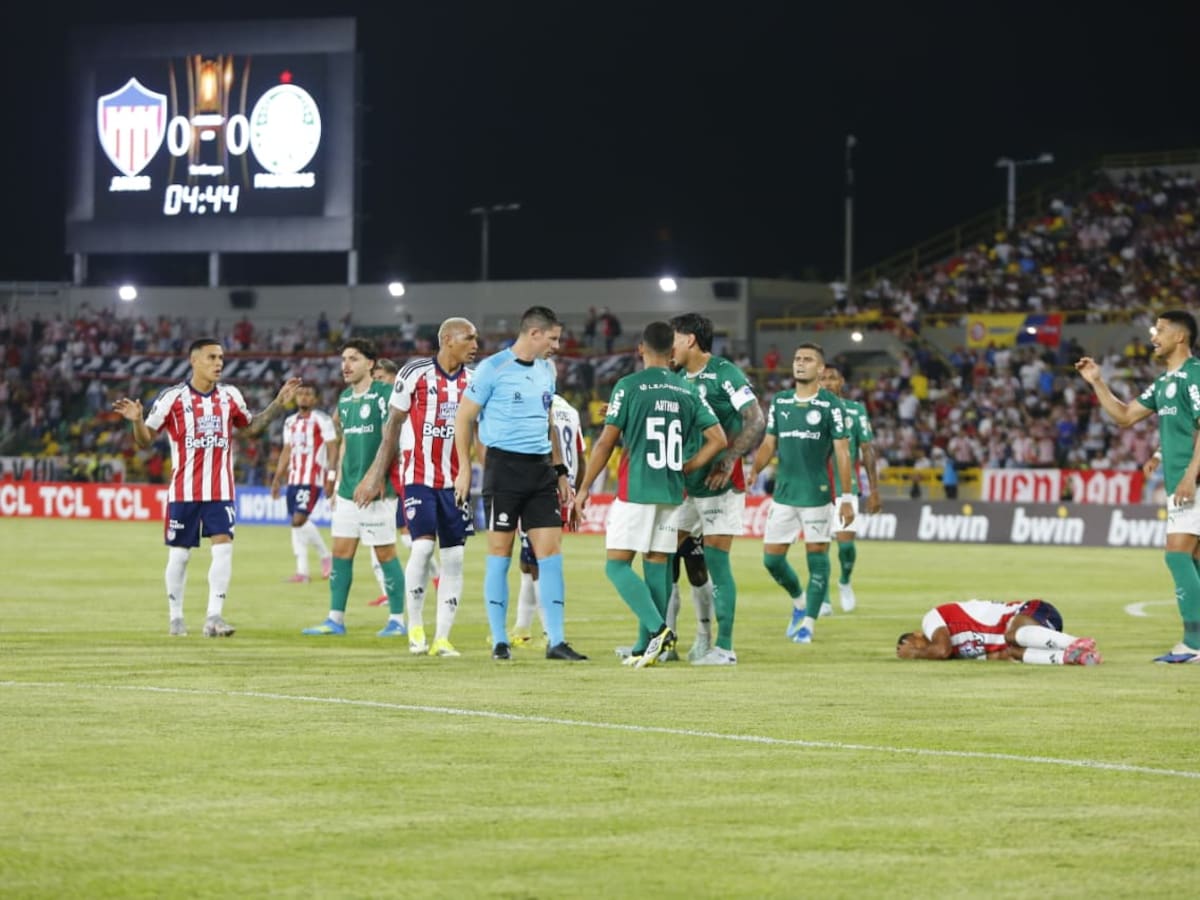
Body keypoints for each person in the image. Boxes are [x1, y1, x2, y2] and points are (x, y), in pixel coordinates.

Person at [113, 337, 300, 637]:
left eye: (221, 358)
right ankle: (176, 618)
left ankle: (214, 617)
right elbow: (145, 439)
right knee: (180, 555)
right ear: (194, 361)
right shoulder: (172, 398)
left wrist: (278, 404)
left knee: (224, 549)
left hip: (221, 490)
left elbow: (250, 429)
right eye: (212, 357)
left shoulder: (230, 396)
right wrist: (136, 421)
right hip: (184, 491)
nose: (218, 363)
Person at [576, 321, 726, 667]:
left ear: (640, 349)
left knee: (616, 565)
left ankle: (659, 630)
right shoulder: (687, 390)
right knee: (656, 563)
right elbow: (718, 439)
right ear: (673, 352)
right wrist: (690, 466)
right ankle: (646, 646)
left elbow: (605, 442)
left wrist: (584, 488)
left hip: (638, 488)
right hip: (673, 490)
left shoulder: (628, 386)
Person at [453, 305, 586, 661]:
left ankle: (556, 640)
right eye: (553, 338)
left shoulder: (546, 369)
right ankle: (500, 640)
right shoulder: (492, 368)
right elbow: (464, 419)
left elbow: (547, 422)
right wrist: (466, 469)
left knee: (550, 555)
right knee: (500, 553)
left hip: (541, 470)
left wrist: (559, 470)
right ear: (534, 334)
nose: (557, 345)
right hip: (503, 469)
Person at [1077, 310, 1200, 663]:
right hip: (1181, 478)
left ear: (1181, 337)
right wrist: (1097, 381)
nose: (1153, 335)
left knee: (1176, 555)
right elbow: (1125, 416)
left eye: (1160, 329)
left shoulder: (1195, 375)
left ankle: (1193, 645)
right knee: (1193, 558)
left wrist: (1192, 475)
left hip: (1191, 481)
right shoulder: (1164, 384)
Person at [354, 318, 479, 657]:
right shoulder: (415, 373)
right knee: (422, 550)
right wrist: (377, 474)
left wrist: (478, 472)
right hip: (419, 476)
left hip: (456, 482)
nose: (475, 344)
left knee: (454, 557)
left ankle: (442, 637)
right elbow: (392, 427)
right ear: (448, 340)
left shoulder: (474, 380)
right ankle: (416, 627)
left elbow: (479, 430)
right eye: (469, 338)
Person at [669, 313, 766, 665]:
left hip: (719, 486)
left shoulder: (725, 374)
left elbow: (756, 419)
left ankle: (723, 648)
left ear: (691, 340)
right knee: (663, 556)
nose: (671, 347)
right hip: (683, 485)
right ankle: (672, 640)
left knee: (716, 562)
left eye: (675, 339)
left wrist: (729, 460)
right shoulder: (675, 377)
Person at [751, 343, 854, 646]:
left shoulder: (832, 406)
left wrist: (846, 499)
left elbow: (843, 454)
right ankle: (799, 602)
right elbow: (769, 443)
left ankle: (809, 623)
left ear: (820, 370)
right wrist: (754, 470)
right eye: (797, 358)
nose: (800, 363)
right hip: (783, 494)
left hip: (817, 495)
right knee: (771, 561)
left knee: (817, 558)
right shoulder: (781, 402)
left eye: (808, 360)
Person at [302, 339, 407, 637]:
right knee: (341, 553)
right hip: (348, 490)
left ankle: (398, 620)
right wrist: (336, 485)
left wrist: (376, 478)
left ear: (371, 364)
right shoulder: (345, 399)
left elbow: (394, 441)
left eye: (354, 359)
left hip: (378, 490)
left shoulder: (387, 395)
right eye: (344, 359)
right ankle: (335, 619)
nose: (346, 365)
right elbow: (346, 443)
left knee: (385, 553)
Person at [512, 393, 587, 647]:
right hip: (568, 486)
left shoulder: (534, 404)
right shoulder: (571, 410)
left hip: (541, 486)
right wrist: (580, 493)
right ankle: (521, 628)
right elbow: (581, 454)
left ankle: (549, 632)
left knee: (537, 562)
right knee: (529, 561)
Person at [820, 364, 881, 613]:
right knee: (819, 546)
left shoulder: (855, 411)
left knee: (845, 546)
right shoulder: (808, 410)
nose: (827, 383)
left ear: (841, 381)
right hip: (815, 488)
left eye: (832, 378)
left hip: (846, 488)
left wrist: (874, 490)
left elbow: (866, 450)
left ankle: (844, 581)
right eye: (822, 379)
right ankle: (822, 597)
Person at [896, 599, 1101, 665]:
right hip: (1040, 638)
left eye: (909, 643)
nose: (913, 649)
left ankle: (1077, 642)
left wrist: (915, 654)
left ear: (917, 635)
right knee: (1013, 652)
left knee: (1011, 636)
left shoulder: (931, 619)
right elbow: (997, 655)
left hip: (1034, 610)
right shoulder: (961, 652)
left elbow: (941, 650)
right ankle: (1072, 657)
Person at [269, 382, 336, 583]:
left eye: (308, 394)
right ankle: (303, 571)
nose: (304, 397)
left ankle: (324, 557)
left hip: (312, 478)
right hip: (294, 478)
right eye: (300, 394)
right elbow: (286, 451)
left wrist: (331, 476)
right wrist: (277, 478)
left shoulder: (322, 420)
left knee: (299, 520)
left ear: (315, 399)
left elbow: (332, 449)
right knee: (296, 524)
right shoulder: (290, 422)